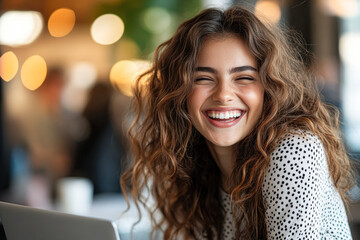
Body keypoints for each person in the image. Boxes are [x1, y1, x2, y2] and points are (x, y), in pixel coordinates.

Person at [120, 6, 354, 240]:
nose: (223, 95)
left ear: (269, 89)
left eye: (243, 78)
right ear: (179, 93)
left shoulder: (293, 152)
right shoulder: (201, 169)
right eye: (203, 78)